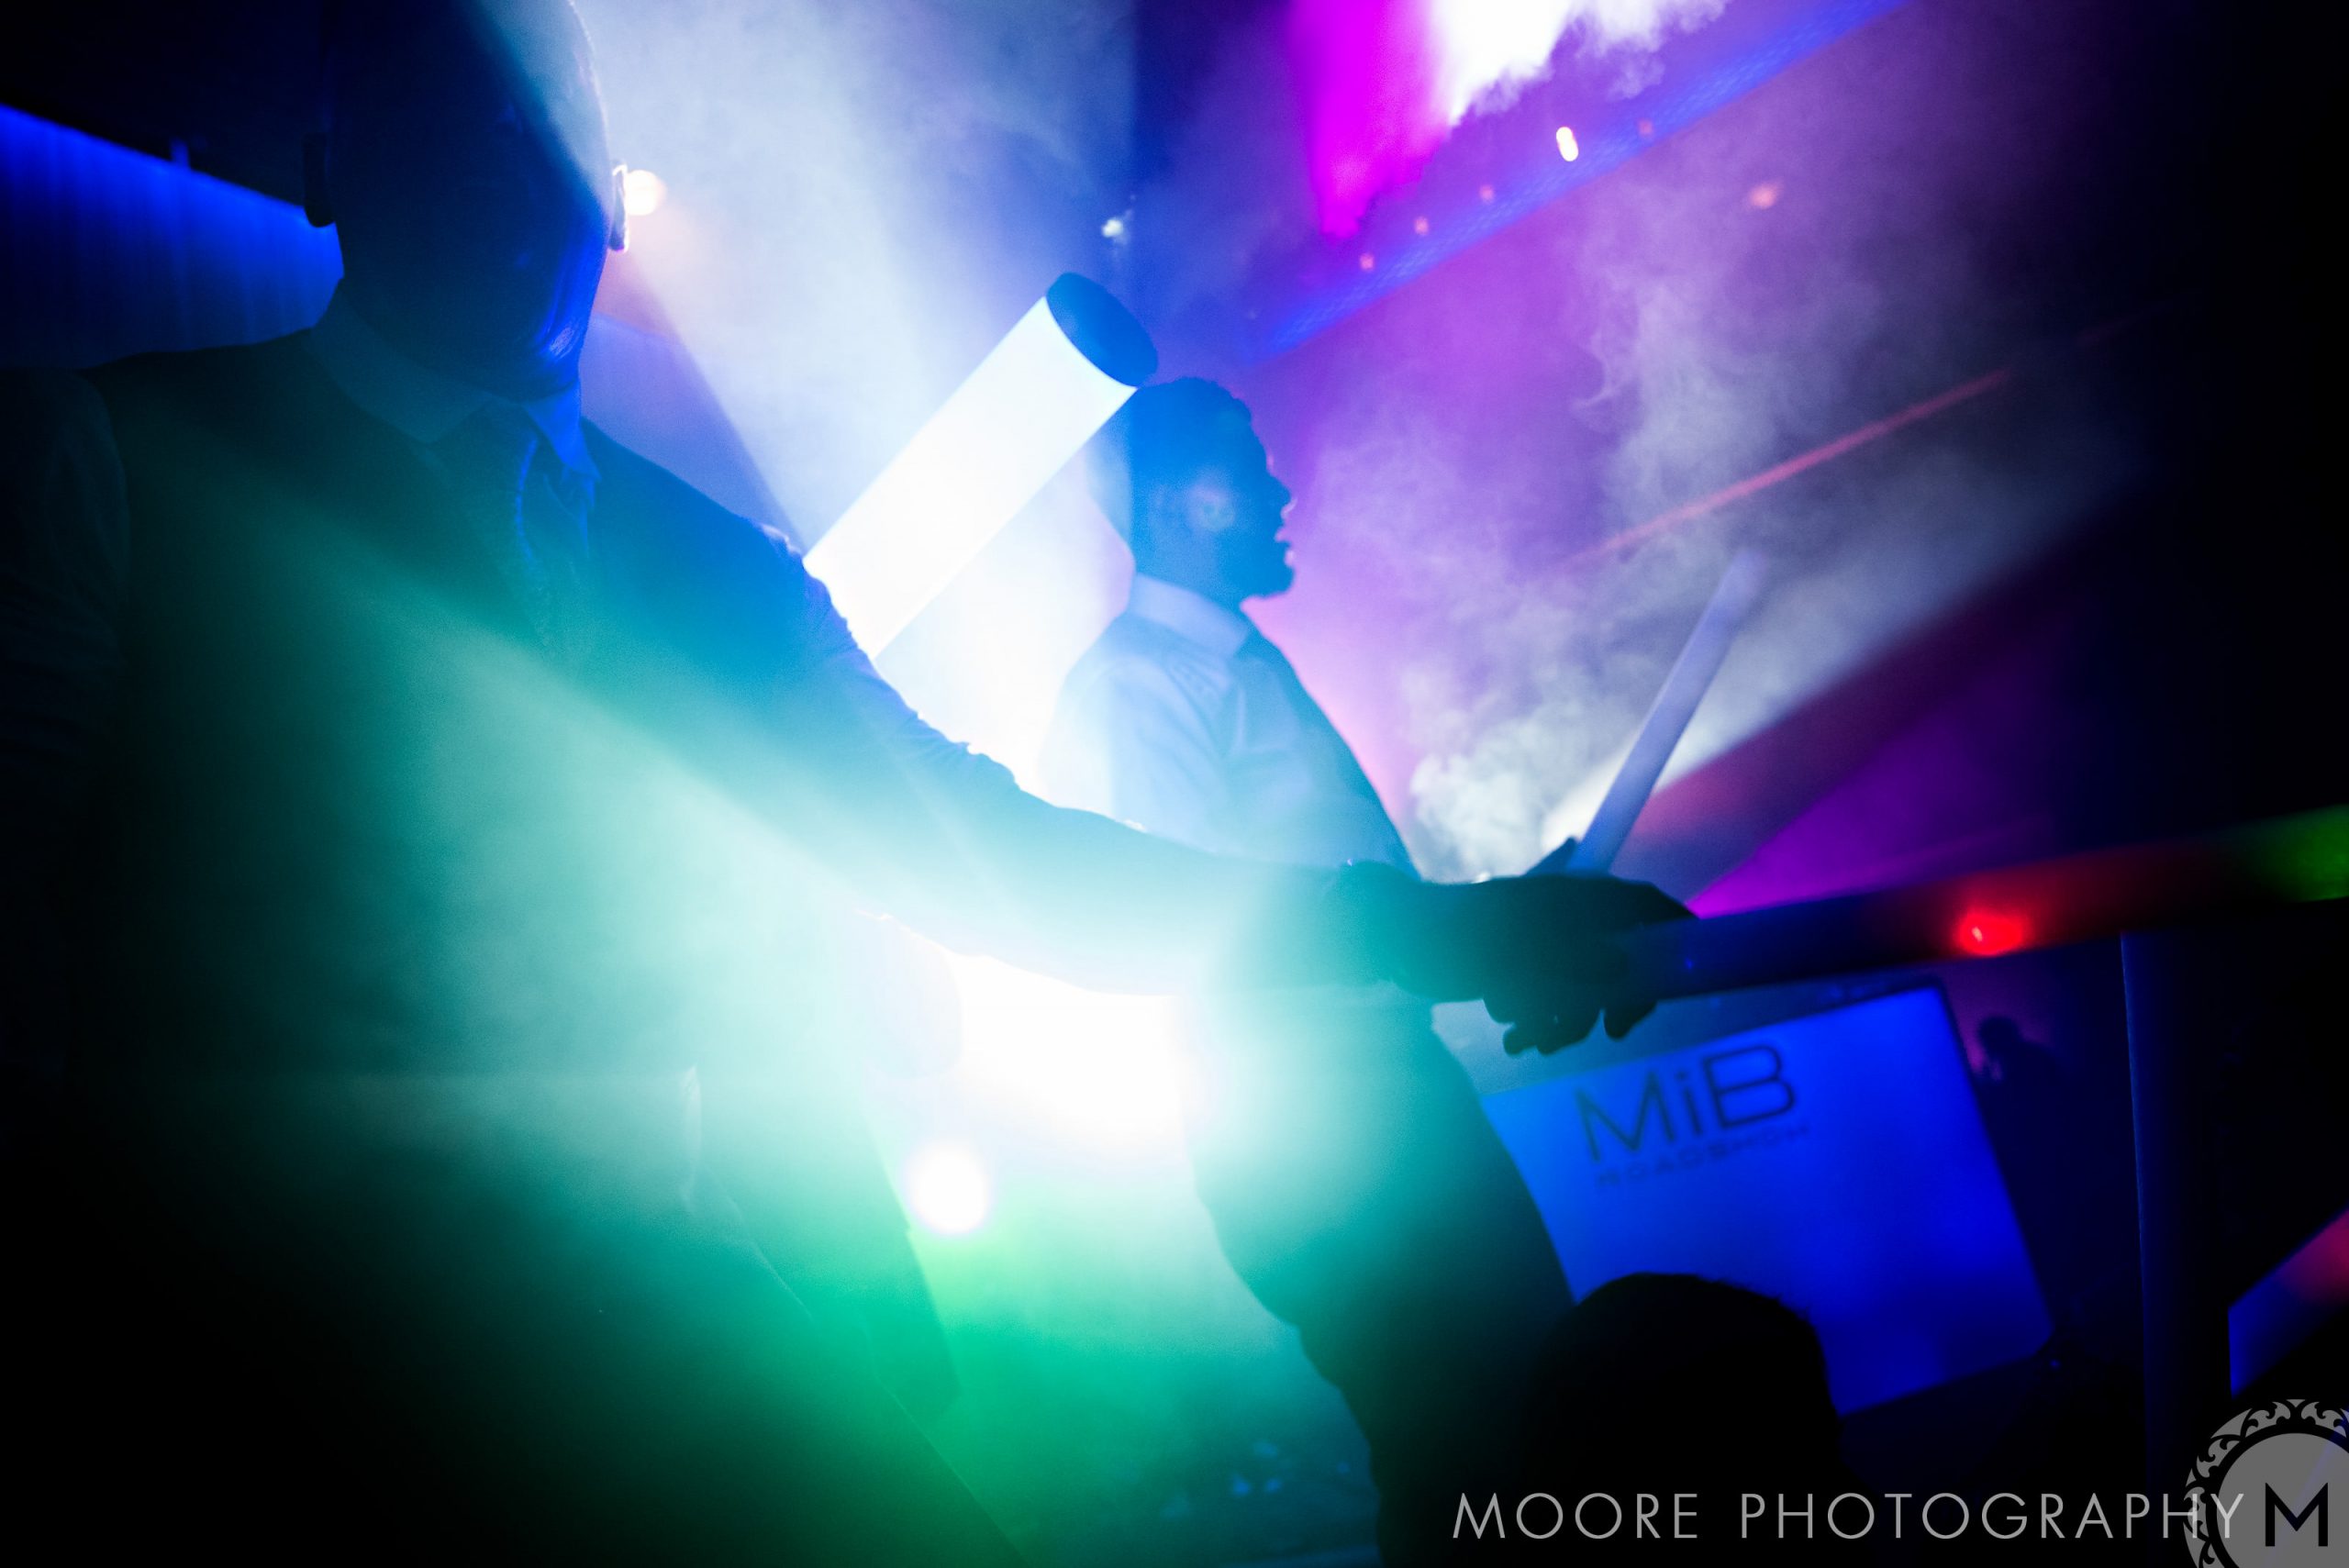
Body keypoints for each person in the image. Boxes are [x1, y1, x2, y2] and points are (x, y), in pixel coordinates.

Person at [0, 0, 1683, 1555]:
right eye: (452, 117)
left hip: (630, 1333)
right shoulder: (109, 456)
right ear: (322, 171)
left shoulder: (723, 570)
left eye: (550, 127)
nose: (515, 167)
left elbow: (999, 863)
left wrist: (1445, 935)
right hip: (245, 1365)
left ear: (611, 190)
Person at [1040, 379, 1575, 1562]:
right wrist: (1468, 938)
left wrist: (1474, 947)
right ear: (1172, 503)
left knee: (1501, 1442)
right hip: (1326, 1133)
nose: (1282, 491)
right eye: (1251, 468)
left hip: (1366, 1108)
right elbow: (1181, 934)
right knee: (1483, 1454)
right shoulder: (1135, 689)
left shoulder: (1227, 666)